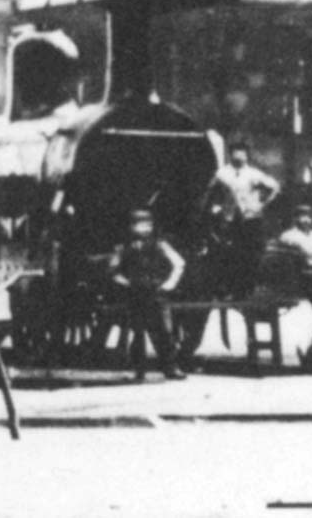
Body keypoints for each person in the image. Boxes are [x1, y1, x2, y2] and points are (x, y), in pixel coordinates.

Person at [109, 209, 187, 381]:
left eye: (146, 225)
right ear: (131, 227)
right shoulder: (123, 247)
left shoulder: (160, 244)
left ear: (151, 226)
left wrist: (169, 284)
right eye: (137, 225)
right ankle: (139, 369)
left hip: (157, 292)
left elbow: (179, 263)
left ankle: (170, 367)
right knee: (137, 332)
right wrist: (126, 283)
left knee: (165, 332)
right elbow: (113, 270)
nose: (142, 229)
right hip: (136, 293)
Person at [203, 141, 280, 299]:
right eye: (235, 152)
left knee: (250, 254)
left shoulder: (254, 174)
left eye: (242, 152)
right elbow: (210, 193)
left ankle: (246, 290)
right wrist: (215, 209)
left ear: (247, 156)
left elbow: (274, 187)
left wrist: (261, 204)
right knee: (230, 253)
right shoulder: (222, 173)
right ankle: (228, 290)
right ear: (230, 155)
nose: (239, 155)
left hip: (250, 218)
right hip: (229, 219)